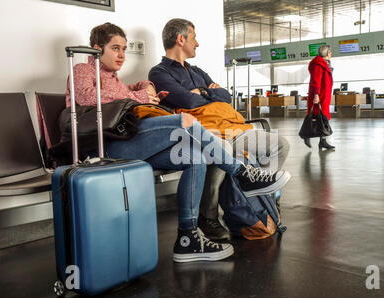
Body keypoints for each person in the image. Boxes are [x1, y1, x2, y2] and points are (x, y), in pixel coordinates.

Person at [66, 22, 291, 263]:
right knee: (186, 120)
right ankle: (243, 174)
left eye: (124, 49)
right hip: (108, 143)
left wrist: (145, 87)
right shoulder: (82, 68)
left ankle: (188, 237)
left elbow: (131, 92)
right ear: (97, 49)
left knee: (193, 157)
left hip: (129, 137)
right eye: (115, 48)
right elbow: (88, 97)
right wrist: (140, 95)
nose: (121, 55)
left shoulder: (114, 78)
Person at [149, 18, 290, 241]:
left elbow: (226, 96)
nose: (197, 44)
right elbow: (187, 100)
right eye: (194, 38)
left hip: (231, 127)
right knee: (221, 148)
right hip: (204, 132)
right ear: (180, 39)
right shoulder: (159, 73)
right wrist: (207, 93)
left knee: (279, 144)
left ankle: (263, 197)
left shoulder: (197, 72)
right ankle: (209, 216)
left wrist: (202, 92)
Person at [303, 44, 335, 150]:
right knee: (315, 117)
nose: (331, 54)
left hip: (324, 95)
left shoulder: (325, 64)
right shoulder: (318, 64)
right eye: (330, 52)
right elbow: (315, 80)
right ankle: (306, 135)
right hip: (319, 95)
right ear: (327, 53)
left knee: (322, 118)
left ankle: (323, 141)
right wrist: (316, 95)